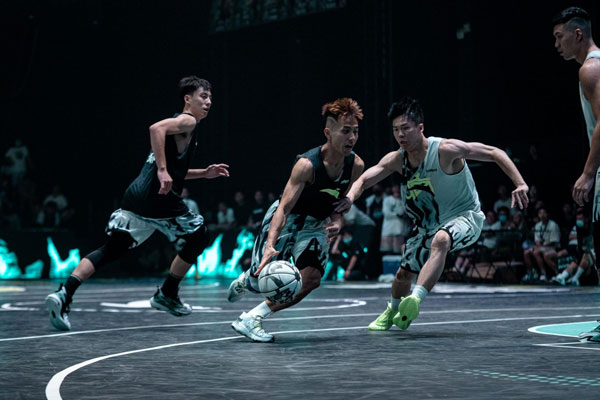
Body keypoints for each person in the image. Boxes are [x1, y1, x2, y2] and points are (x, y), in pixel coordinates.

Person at [44, 76, 230, 331]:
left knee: (112, 249)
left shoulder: (181, 127)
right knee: (200, 237)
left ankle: (64, 292)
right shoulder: (188, 121)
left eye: (210, 98)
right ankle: (167, 293)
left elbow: (175, 172)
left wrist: (203, 174)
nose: (208, 102)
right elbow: (155, 129)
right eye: (203, 96)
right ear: (188, 99)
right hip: (158, 199)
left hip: (136, 196)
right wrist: (162, 170)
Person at [334, 97, 529, 331]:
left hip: (465, 217)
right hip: (427, 226)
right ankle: (393, 311)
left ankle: (414, 301)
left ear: (420, 128)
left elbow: (494, 152)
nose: (400, 135)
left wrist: (520, 183)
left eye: (405, 128)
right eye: (395, 130)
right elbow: (365, 179)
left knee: (442, 239)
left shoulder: (445, 150)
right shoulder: (398, 159)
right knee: (402, 275)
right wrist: (349, 198)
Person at [226, 98, 365, 342]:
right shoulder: (307, 165)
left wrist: (338, 221)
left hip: (315, 225)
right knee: (261, 281)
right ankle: (248, 280)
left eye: (355, 131)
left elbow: (338, 203)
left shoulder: (356, 165)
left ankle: (252, 318)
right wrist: (270, 245)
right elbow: (284, 208)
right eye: (345, 131)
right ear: (328, 133)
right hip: (287, 219)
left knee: (311, 279)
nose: (352, 137)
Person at [553, 7, 600, 342]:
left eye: (560, 37)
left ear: (577, 34)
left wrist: (588, 172)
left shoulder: (590, 69)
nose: (557, 44)